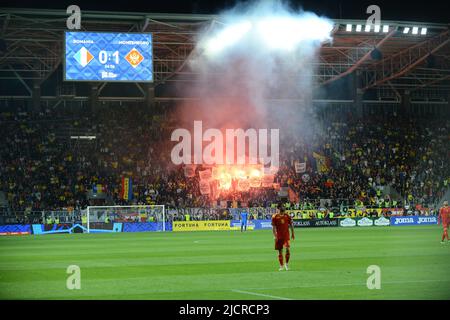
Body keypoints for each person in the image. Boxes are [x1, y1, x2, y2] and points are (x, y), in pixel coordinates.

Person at [272, 204, 295, 271]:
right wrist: (274, 236)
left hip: (286, 236)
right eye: (282, 207)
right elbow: (273, 227)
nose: (284, 208)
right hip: (279, 236)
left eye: (284, 207)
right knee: (280, 251)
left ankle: (286, 264)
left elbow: (291, 225)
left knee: (287, 249)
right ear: (279, 208)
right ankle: (281, 265)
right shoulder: (275, 216)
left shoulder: (287, 216)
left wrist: (293, 233)